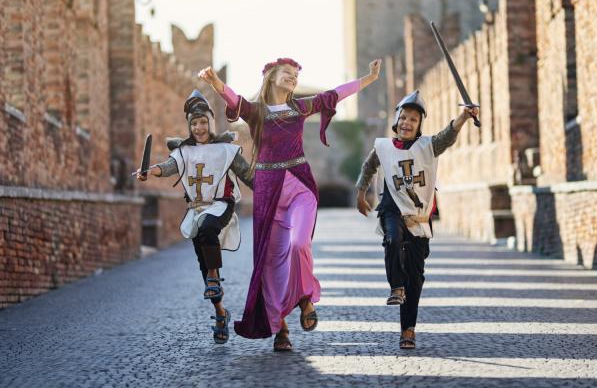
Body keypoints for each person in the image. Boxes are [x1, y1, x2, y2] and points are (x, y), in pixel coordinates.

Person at [199, 57, 381, 351]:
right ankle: (281, 329)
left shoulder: (300, 108)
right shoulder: (256, 112)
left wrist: (368, 79)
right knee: (271, 263)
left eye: (296, 75)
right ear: (271, 76)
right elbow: (234, 100)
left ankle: (305, 296)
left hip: (299, 185)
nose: (293, 77)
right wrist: (216, 83)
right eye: (288, 73)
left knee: (298, 243)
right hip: (268, 191)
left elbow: (334, 95)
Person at [354, 90, 479, 349]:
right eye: (403, 117)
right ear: (396, 120)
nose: (406, 123)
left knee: (415, 275)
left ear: (420, 124)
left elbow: (448, 135)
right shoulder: (383, 147)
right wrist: (360, 193)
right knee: (392, 238)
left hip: (419, 217)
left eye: (413, 119)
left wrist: (464, 116)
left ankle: (408, 330)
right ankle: (395, 286)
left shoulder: (428, 147)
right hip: (391, 209)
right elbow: (369, 166)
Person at [135, 90, 252, 345]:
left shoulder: (226, 150)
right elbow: (169, 167)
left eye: (203, 122)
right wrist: (150, 171)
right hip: (196, 209)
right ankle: (220, 313)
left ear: (210, 122)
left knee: (209, 229)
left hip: (221, 205)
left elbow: (249, 176)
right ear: (190, 125)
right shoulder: (184, 151)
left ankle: (214, 275)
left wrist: (272, 191)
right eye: (194, 123)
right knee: (203, 261)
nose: (199, 128)